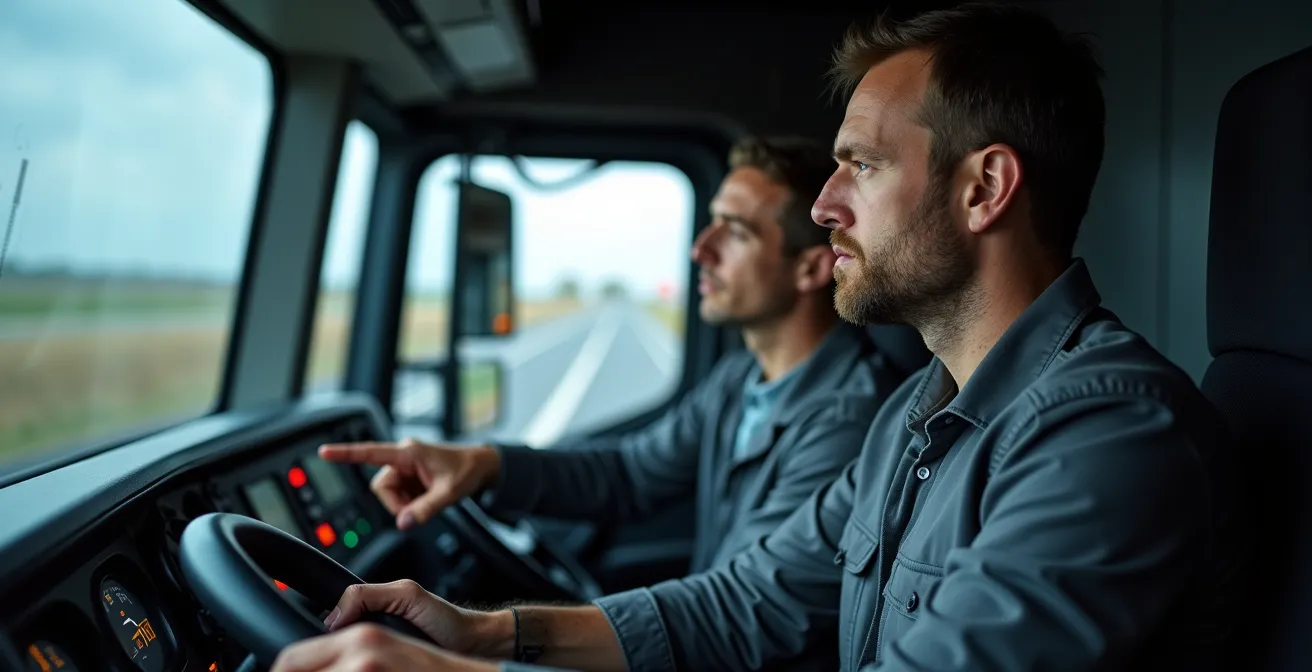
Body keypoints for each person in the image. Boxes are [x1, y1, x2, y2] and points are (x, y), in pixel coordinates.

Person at [270, 3, 1243, 671]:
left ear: (983, 188)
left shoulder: (1109, 437)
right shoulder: (918, 410)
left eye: (858, 165)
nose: (824, 207)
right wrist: (484, 633)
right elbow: (745, 603)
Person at [299, 137, 913, 669]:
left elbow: (744, 611)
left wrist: (491, 638)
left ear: (810, 268)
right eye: (709, 223)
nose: (701, 249)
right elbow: (630, 473)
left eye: (737, 230)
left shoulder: (845, 421)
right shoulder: (741, 379)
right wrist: (483, 465)